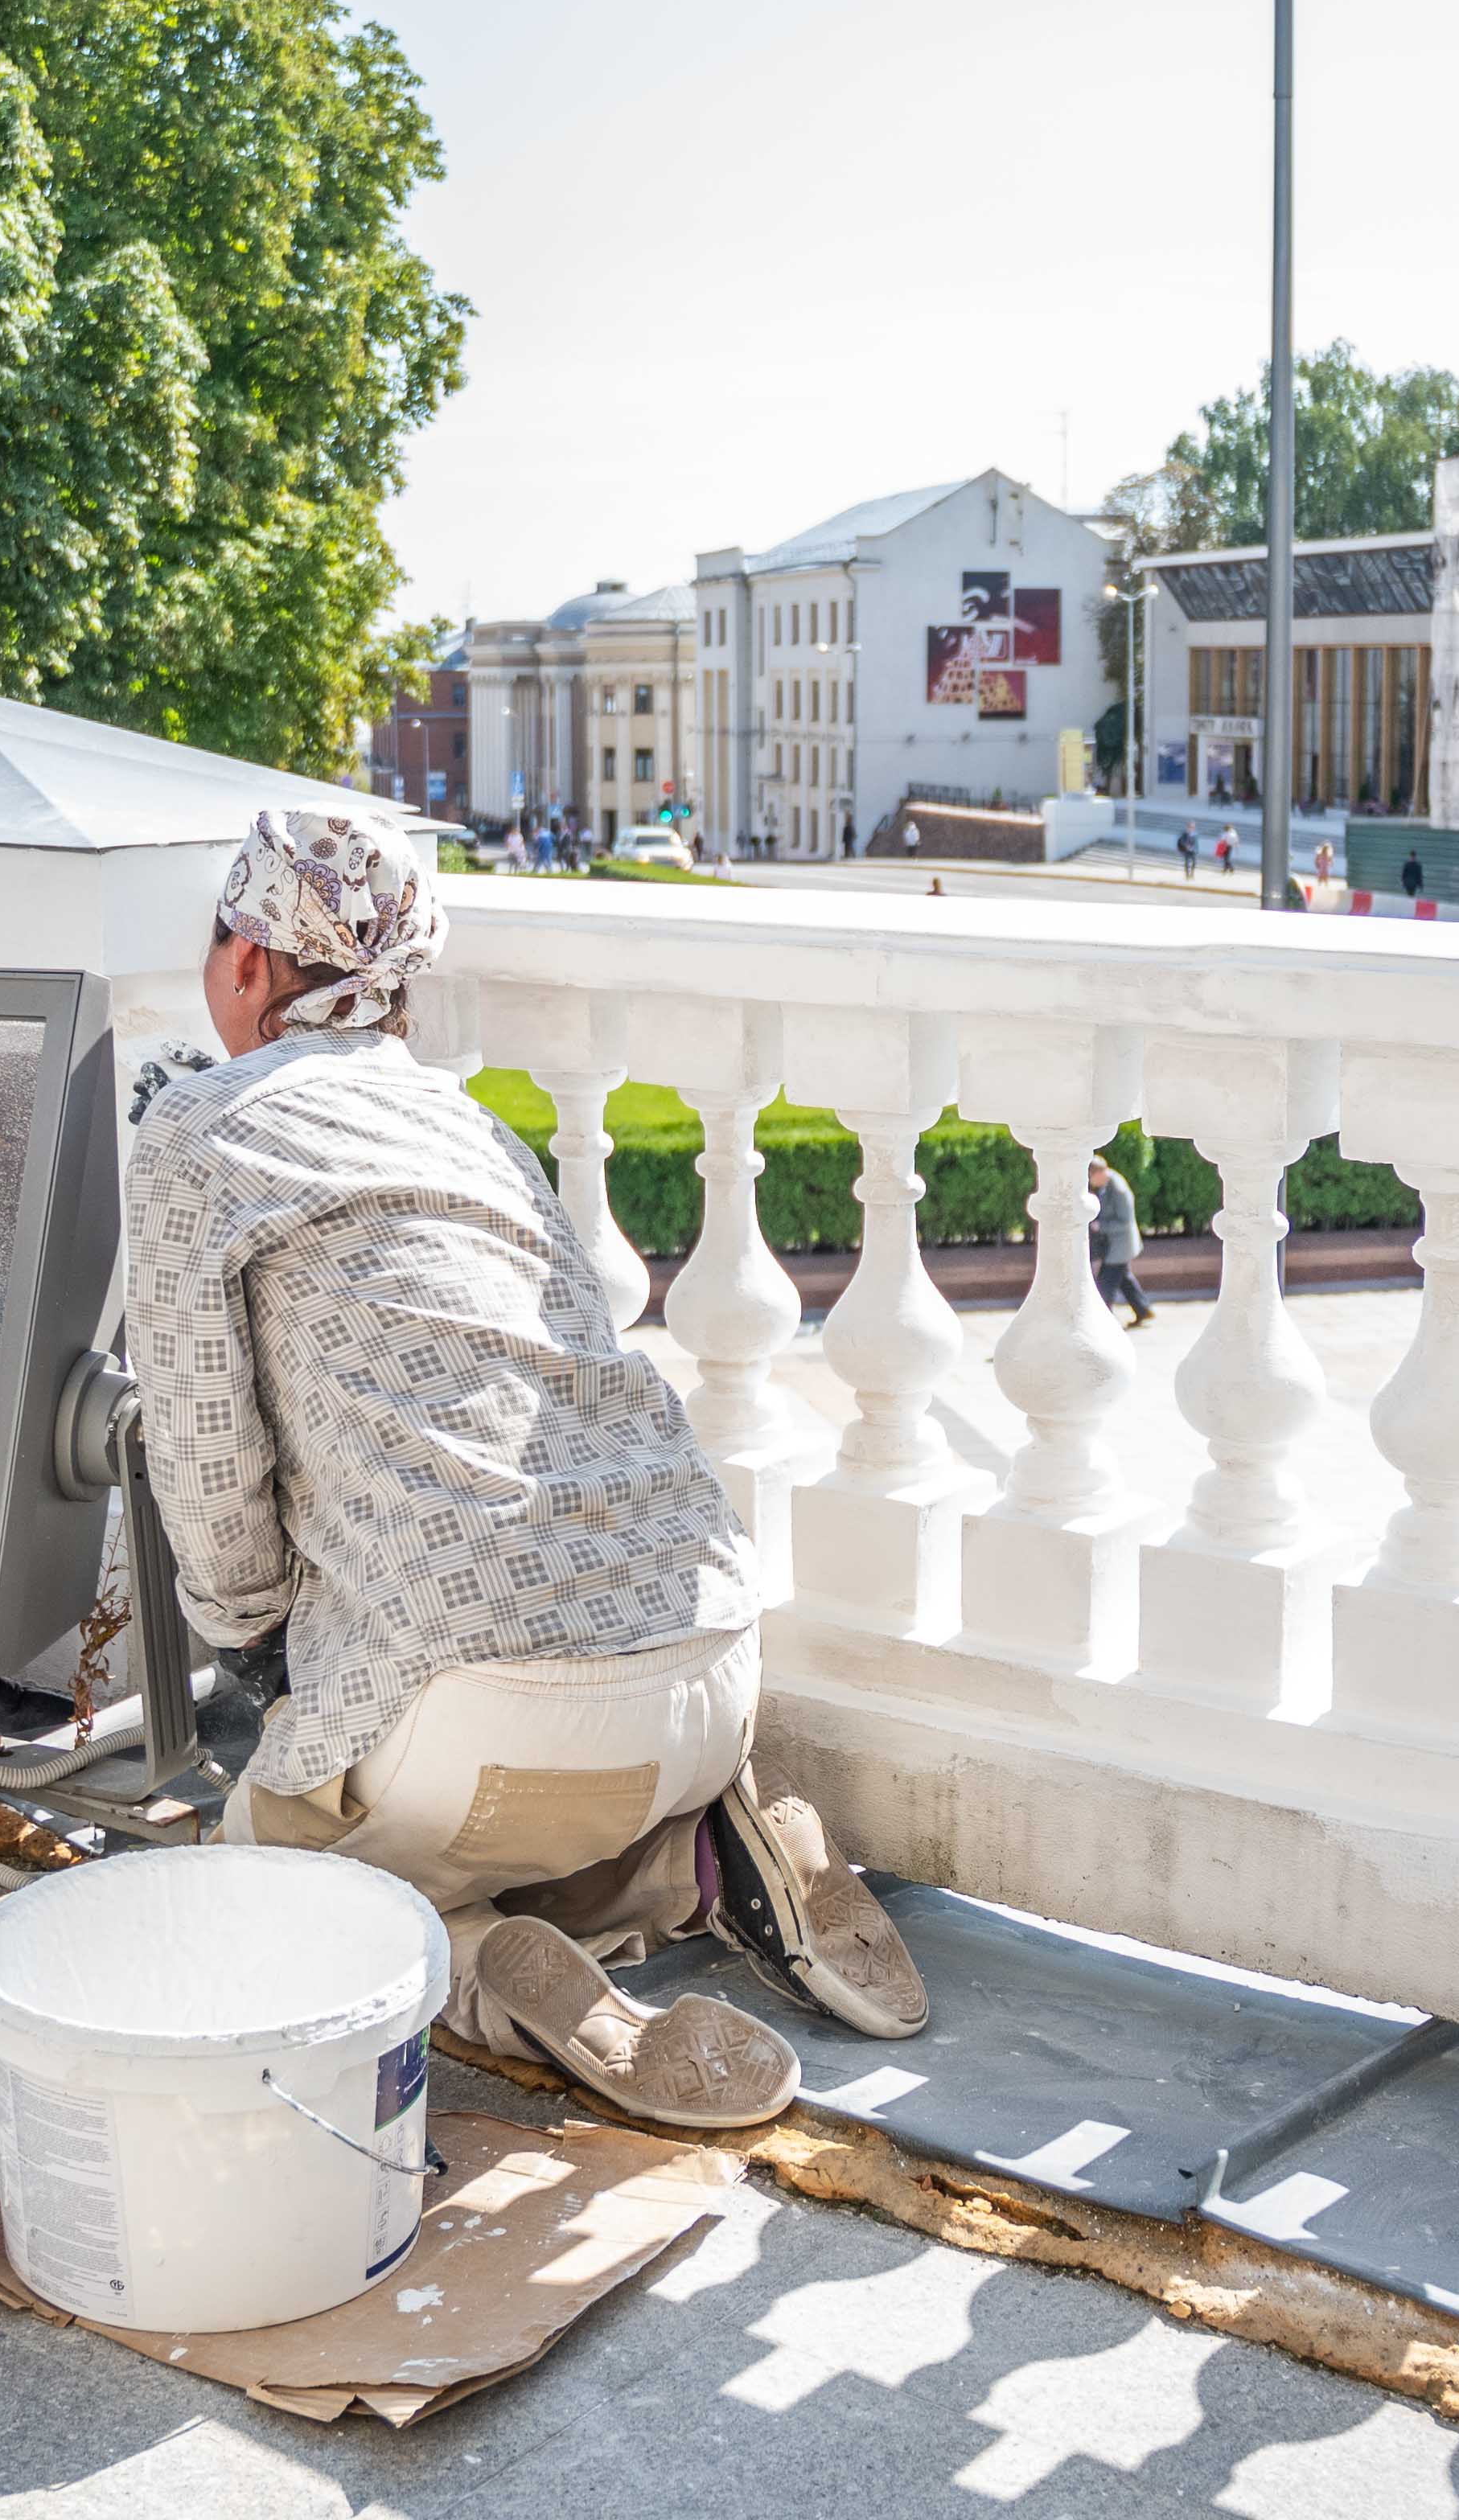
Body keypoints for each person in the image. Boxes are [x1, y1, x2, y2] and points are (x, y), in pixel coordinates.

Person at [137, 811, 926, 2129]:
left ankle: (476, 1962)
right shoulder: (474, 1132)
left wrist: (251, 1648)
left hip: (483, 1725)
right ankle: (706, 1853)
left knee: (277, 1867)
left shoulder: (199, 1126)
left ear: (245, 963)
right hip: (714, 1665)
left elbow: (203, 1451)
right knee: (532, 1782)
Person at [1087, 1155, 1154, 1328]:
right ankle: (1143, 1310)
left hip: (1121, 1246)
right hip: (1116, 1245)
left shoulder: (1118, 1189)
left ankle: (1103, 1323)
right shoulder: (1107, 1183)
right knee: (1125, 1280)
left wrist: (1100, 1226)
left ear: (1101, 1173)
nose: (1091, 1182)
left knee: (1105, 1284)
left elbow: (1125, 1223)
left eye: (1091, 1177)